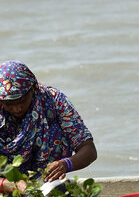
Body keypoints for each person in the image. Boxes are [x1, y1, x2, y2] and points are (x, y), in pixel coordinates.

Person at [0, 61, 97, 193]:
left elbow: (89, 150)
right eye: (9, 104)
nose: (17, 108)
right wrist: (11, 185)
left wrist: (65, 164)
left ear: (33, 89)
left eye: (22, 101)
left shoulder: (55, 101)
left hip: (48, 184)